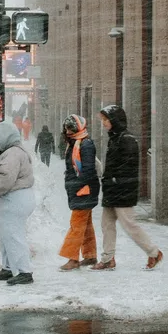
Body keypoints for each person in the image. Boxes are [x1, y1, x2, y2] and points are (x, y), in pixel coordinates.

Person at [91, 104, 163, 271]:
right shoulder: (115, 138)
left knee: (130, 225)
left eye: (106, 119)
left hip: (122, 191)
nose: (103, 123)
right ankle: (108, 259)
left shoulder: (127, 139)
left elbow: (128, 168)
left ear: (115, 120)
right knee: (106, 224)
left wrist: (115, 181)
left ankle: (153, 252)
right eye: (103, 120)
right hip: (113, 189)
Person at [0, 121, 37, 285]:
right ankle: (8, 267)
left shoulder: (12, 154)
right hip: (14, 199)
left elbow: (4, 179)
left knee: (14, 235)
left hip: (14, 200)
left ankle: (24, 271)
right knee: (6, 236)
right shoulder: (13, 152)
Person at [59, 115, 99, 271]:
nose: (67, 131)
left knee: (76, 225)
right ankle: (90, 255)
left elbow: (88, 170)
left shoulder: (84, 144)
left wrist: (78, 186)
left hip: (84, 190)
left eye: (70, 128)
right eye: (66, 128)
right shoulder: (75, 143)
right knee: (86, 224)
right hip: (80, 188)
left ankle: (72, 258)